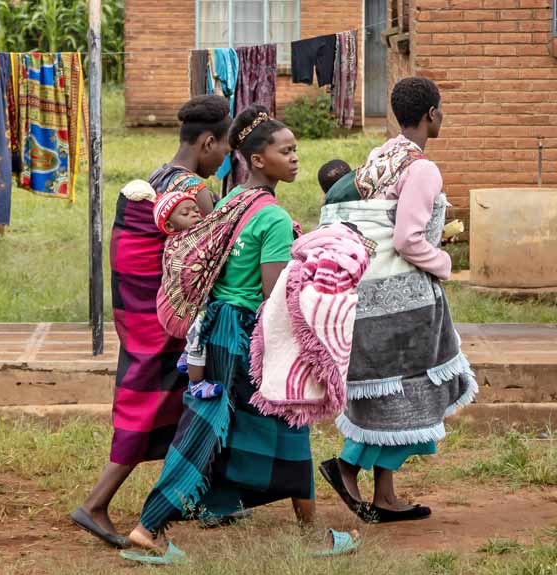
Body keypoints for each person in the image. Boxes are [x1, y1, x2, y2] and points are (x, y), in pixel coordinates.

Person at [119, 105, 360, 565]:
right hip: (249, 333)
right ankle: (150, 527)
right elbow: (274, 293)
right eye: (284, 151)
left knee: (229, 426)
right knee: (265, 424)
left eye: (295, 150)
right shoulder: (270, 217)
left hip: (216, 329)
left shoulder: (230, 201)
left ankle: (292, 528)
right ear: (256, 159)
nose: (294, 158)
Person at [70, 95, 232, 548]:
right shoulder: (196, 190)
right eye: (223, 151)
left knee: (184, 405)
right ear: (207, 142)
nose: (224, 161)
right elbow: (214, 254)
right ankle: (96, 504)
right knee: (164, 404)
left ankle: (204, 496)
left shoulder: (159, 175)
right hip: (162, 320)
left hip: (138, 312)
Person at [318, 77, 478, 523]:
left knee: (392, 394)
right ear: (431, 114)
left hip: (368, 294)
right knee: (425, 390)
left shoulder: (382, 154)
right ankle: (348, 465)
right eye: (441, 109)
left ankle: (385, 495)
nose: (442, 116)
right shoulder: (422, 168)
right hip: (405, 303)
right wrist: (444, 262)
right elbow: (408, 239)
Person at [153, 191, 223, 400]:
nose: (194, 214)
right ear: (170, 227)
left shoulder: (191, 234)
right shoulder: (180, 243)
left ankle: (185, 355)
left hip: (174, 303)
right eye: (185, 213)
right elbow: (188, 268)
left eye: (195, 210)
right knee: (199, 335)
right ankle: (196, 383)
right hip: (177, 310)